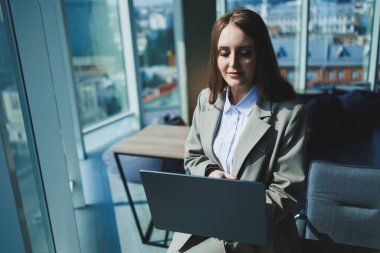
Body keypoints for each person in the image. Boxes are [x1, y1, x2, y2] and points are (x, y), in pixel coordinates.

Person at [167, 9, 307, 253]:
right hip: (207, 219)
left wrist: (237, 215)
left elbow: (286, 191)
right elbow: (193, 156)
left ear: (260, 55)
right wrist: (211, 173)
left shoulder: (288, 114)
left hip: (257, 233)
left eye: (244, 53)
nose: (233, 64)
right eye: (224, 53)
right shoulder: (206, 101)